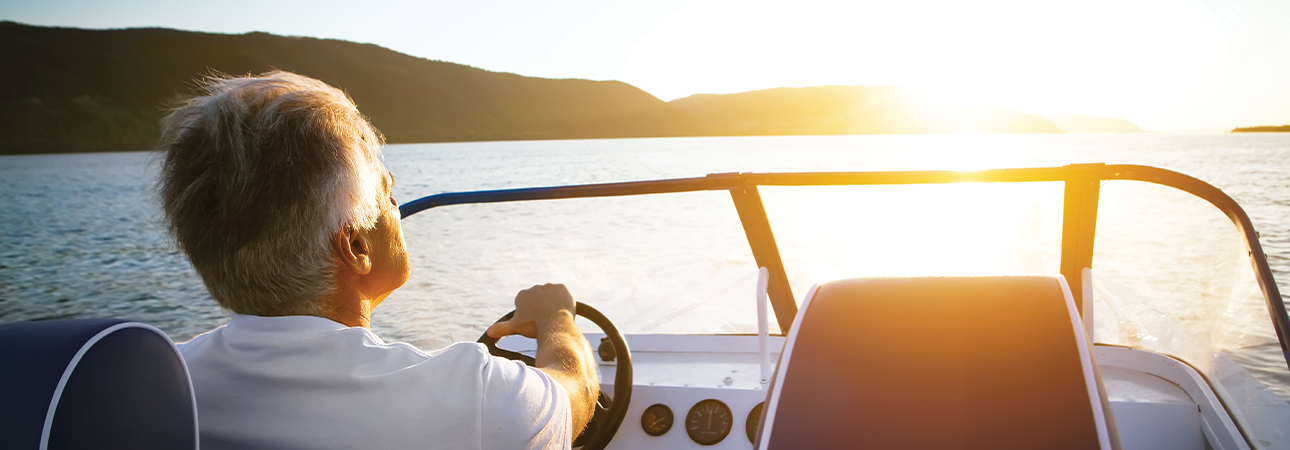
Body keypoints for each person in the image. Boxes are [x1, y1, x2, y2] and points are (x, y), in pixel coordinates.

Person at [157, 71, 598, 449]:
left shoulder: (155, 381)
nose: (397, 205)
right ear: (357, 248)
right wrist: (556, 319)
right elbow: (575, 396)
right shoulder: (473, 398)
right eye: (387, 194)